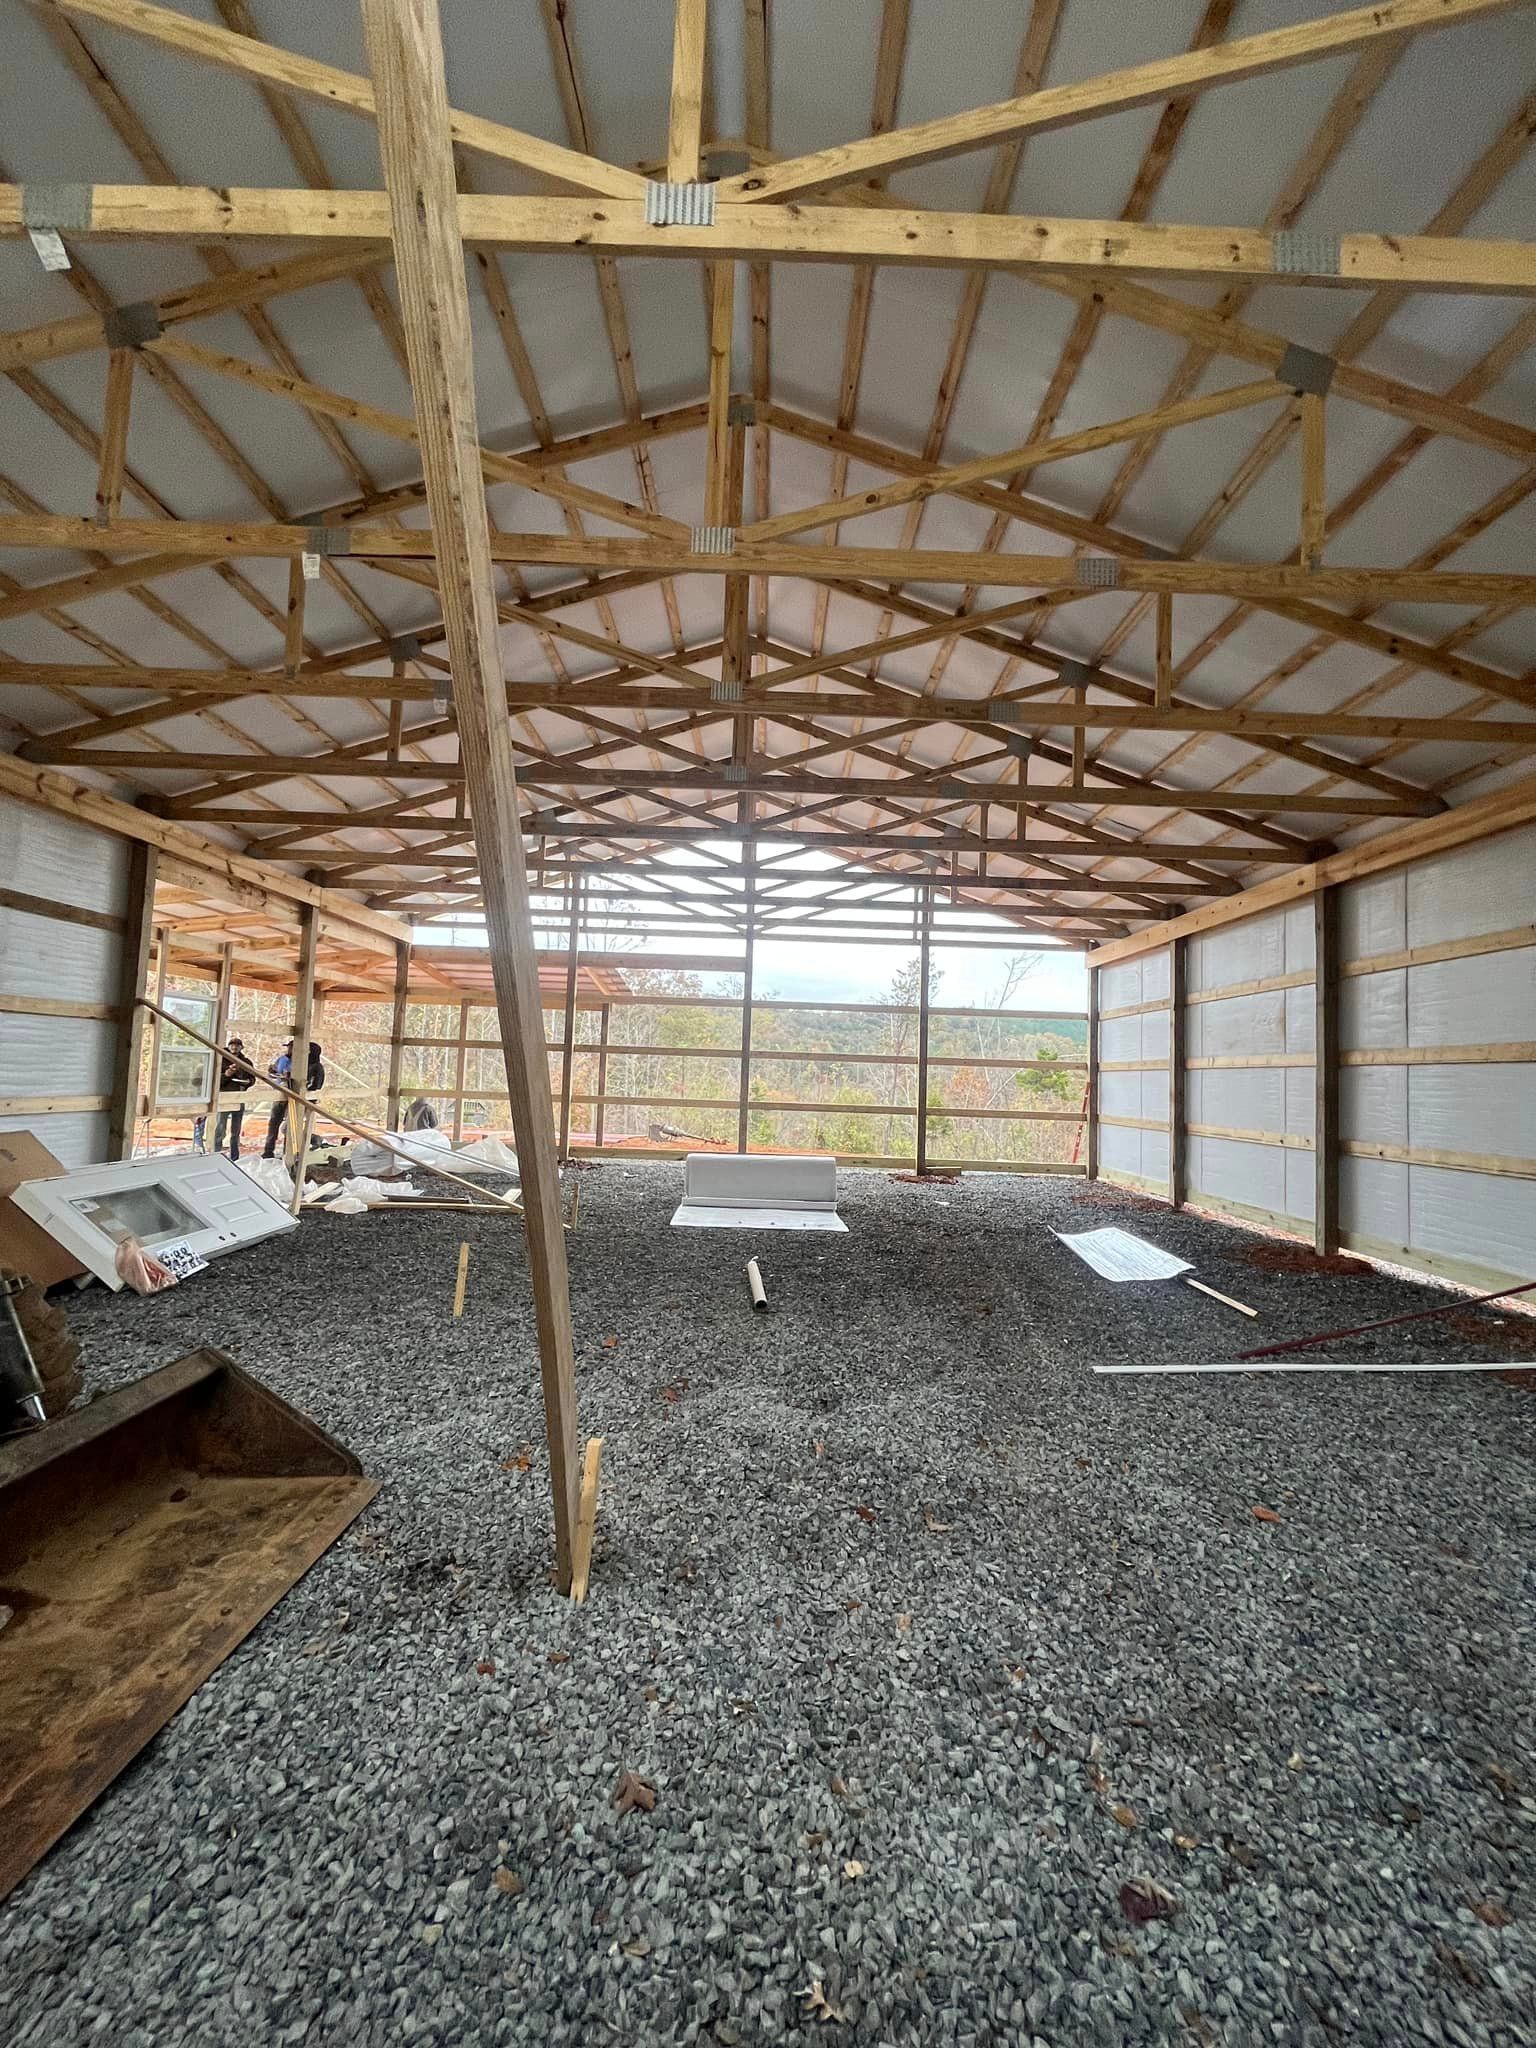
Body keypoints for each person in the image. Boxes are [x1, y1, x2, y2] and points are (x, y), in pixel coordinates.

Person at [262, 1039, 326, 1160]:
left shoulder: (315, 1067)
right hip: (283, 1094)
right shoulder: (293, 1062)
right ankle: (269, 1152)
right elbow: (276, 1074)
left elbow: (314, 1086)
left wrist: (299, 1085)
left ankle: (291, 1151)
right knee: (275, 1123)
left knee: (289, 1127)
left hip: (300, 1100)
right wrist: (278, 1074)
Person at [212, 1036, 255, 1161]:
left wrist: (248, 1082)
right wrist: (227, 1074)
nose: (234, 1047)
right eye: (232, 1045)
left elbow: (252, 1078)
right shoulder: (221, 1060)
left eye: (237, 1045)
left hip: (239, 1096)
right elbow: (215, 1081)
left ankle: (235, 1157)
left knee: (236, 1130)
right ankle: (216, 1154)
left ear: (241, 1048)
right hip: (225, 1096)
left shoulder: (246, 1062)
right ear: (229, 1046)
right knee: (220, 1127)